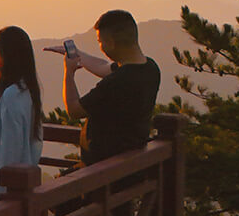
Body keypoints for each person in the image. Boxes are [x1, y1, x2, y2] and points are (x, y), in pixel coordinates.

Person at [48, 10, 160, 167]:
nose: (100, 46)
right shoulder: (150, 68)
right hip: (127, 163)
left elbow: (74, 110)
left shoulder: (117, 82)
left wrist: (69, 73)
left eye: (100, 41)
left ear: (111, 43)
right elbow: (103, 67)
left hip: (103, 169)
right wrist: (78, 54)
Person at [0, 27, 43, 206]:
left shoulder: (11, 95)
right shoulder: (27, 91)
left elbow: (11, 151)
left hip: (3, 194)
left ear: (5, 54)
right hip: (20, 189)